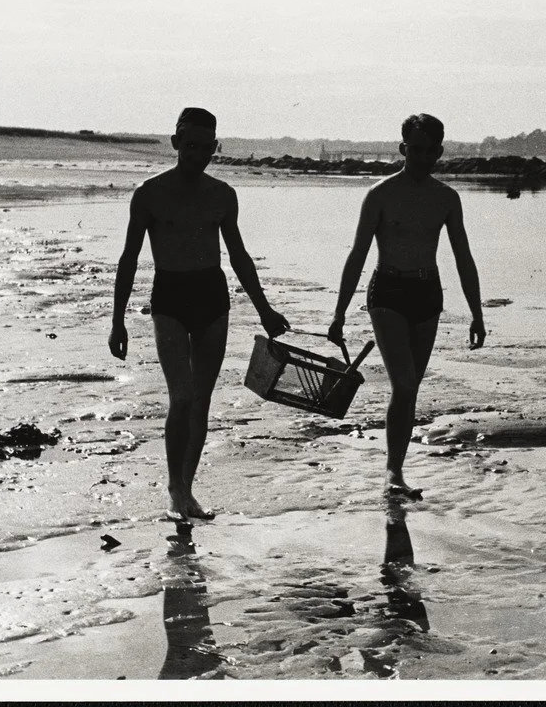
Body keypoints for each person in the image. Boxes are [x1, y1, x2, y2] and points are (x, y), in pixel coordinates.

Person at [109, 107, 289, 520]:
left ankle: (187, 490)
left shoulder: (222, 195)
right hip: (170, 296)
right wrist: (118, 320)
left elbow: (239, 256)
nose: (198, 155)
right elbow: (129, 259)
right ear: (175, 143)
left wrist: (264, 309)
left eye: (206, 148)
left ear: (214, 148)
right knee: (182, 397)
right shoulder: (150, 194)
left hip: (212, 295)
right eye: (190, 146)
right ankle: (175, 489)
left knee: (202, 402)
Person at [328, 113, 485, 499]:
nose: (423, 157)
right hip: (388, 293)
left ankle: (395, 469)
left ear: (440, 152)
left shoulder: (446, 198)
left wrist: (478, 313)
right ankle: (392, 474)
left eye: (431, 151)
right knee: (403, 382)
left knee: (411, 387)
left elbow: (463, 257)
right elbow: (357, 255)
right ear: (403, 149)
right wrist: (339, 313)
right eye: (416, 150)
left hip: (427, 293)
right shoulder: (380, 195)